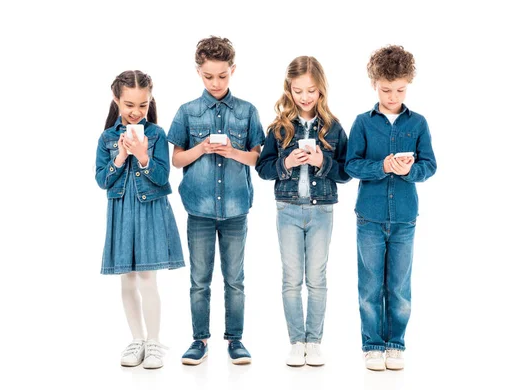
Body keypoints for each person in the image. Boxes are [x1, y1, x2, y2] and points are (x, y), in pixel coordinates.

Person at [167, 36, 265, 365]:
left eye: (222, 75)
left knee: (235, 280)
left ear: (232, 70)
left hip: (237, 209)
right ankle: (199, 340)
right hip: (199, 210)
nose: (216, 82)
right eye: (209, 76)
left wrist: (231, 151)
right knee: (199, 280)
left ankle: (235, 340)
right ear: (199, 72)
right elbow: (177, 160)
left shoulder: (247, 111)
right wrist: (203, 147)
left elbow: (257, 159)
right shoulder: (187, 112)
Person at [345, 45, 437, 371]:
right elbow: (351, 165)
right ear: (374, 84)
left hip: (404, 219)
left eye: (400, 89)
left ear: (408, 84)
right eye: (386, 89)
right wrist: (382, 166)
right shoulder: (363, 123)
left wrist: (408, 171)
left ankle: (395, 343)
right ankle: (372, 345)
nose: (393, 95)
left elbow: (429, 166)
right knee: (369, 285)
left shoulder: (419, 123)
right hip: (369, 216)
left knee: (398, 286)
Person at [256, 56, 350, 367]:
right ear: (289, 90)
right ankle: (297, 342)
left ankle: (315, 341)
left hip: (322, 211)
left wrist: (323, 163)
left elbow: (346, 172)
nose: (305, 97)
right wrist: (287, 163)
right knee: (291, 278)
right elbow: (264, 168)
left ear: (321, 90)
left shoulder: (333, 128)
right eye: (298, 91)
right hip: (288, 210)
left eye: (311, 90)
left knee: (317, 279)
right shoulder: (280, 128)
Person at [95, 70, 185, 369]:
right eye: (129, 105)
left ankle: (154, 342)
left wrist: (143, 156)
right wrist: (120, 156)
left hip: (150, 210)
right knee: (127, 279)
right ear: (116, 100)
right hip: (121, 212)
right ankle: (136, 339)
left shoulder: (157, 134)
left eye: (143, 105)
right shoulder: (108, 138)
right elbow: (102, 181)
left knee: (148, 278)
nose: (136, 112)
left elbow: (161, 177)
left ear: (150, 102)